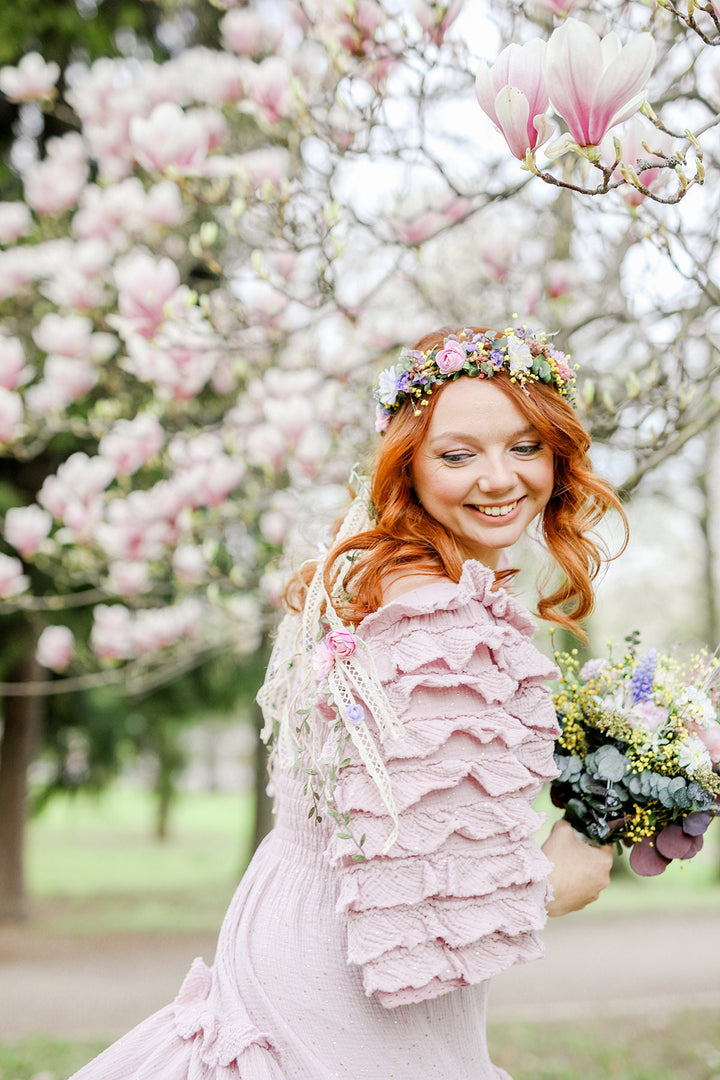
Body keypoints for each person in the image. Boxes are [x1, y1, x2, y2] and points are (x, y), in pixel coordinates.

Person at [68, 323, 626, 1080]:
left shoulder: (364, 576)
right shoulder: (437, 619)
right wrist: (580, 858)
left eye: (525, 447)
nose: (499, 478)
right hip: (351, 978)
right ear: (411, 465)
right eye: (458, 454)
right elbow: (441, 899)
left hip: (292, 922)